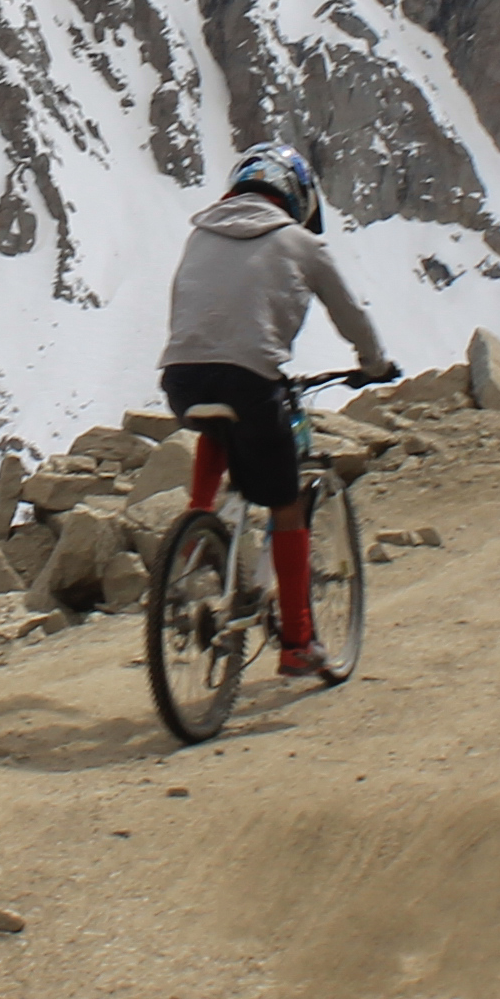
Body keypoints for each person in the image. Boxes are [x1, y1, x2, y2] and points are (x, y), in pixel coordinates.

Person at [156, 142, 393, 678]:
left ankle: (197, 540)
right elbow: (351, 314)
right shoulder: (300, 242)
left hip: (181, 377)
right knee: (286, 503)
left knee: (218, 428)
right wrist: (375, 364)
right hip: (252, 381)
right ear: (296, 195)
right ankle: (297, 644)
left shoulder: (201, 232)